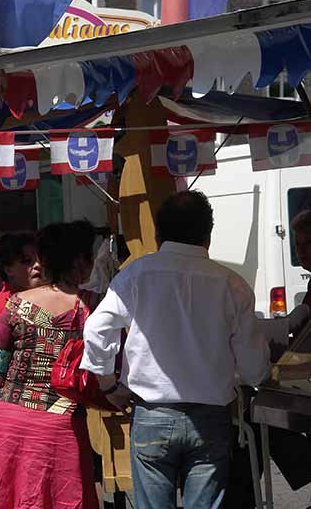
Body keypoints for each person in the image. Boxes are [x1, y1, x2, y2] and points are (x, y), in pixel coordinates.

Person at [81, 190, 271, 509]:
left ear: (157, 233)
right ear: (208, 234)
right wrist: (256, 377)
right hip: (212, 415)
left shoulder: (136, 275)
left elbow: (95, 328)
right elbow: (254, 367)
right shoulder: (231, 284)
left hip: (153, 413)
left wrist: (108, 385)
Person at [0, 220, 100, 509]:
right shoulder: (92, 306)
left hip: (6, 420)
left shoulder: (16, 304)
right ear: (79, 263)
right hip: (59, 424)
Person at [0, 231, 43, 443]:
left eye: (40, 258)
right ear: (8, 269)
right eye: (27, 261)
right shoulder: (5, 309)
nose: (38, 265)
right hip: (9, 412)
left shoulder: (27, 301)